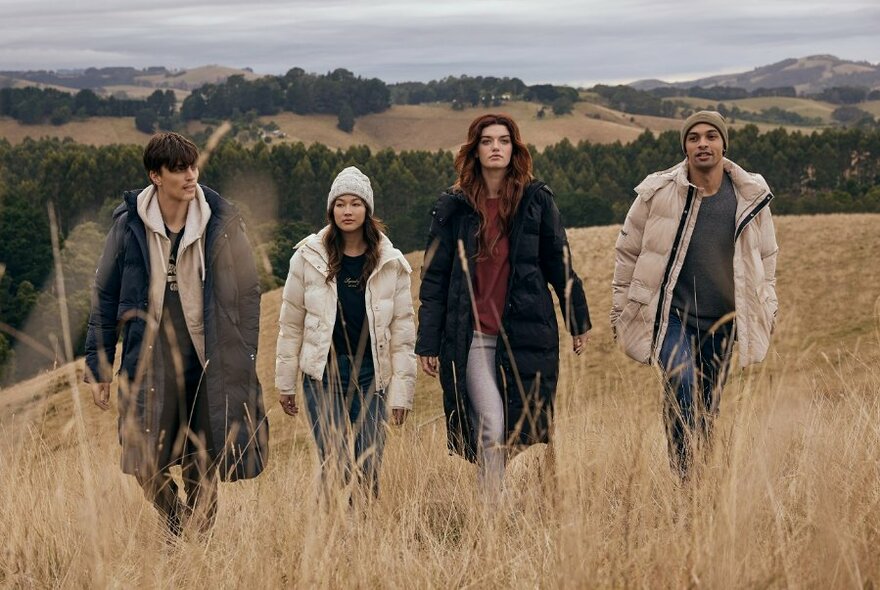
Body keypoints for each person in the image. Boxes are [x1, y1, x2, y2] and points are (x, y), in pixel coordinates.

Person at [85, 131, 268, 535]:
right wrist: (99, 366)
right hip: (147, 364)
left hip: (206, 362)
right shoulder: (128, 225)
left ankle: (195, 549)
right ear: (156, 175)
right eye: (178, 169)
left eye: (193, 166)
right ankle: (177, 523)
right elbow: (104, 295)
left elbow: (248, 291)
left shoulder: (220, 221)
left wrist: (244, 353)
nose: (190, 176)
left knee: (200, 462)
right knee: (141, 459)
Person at [416, 113, 591, 497]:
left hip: (522, 334)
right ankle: (492, 517)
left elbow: (558, 262)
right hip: (473, 336)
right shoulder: (454, 207)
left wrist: (576, 319)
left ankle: (491, 507)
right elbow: (435, 279)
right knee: (492, 425)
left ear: (515, 149)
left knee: (515, 432)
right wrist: (428, 343)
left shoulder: (536, 200)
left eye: (504, 141)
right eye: (487, 141)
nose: (496, 147)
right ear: (474, 150)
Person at [611, 111, 778, 479]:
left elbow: (766, 258)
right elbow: (628, 252)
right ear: (685, 147)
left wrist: (768, 307)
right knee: (681, 382)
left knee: (707, 406)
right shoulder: (657, 192)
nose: (703, 143)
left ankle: (701, 475)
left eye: (711, 137)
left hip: (723, 319)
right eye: (694, 138)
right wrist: (620, 309)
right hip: (670, 314)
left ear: (723, 144)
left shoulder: (749, 195)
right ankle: (685, 477)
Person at [276, 166, 416, 503]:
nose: (347, 211)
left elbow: (402, 332)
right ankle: (334, 535)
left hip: (372, 375)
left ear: (367, 209)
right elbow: (291, 323)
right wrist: (284, 382)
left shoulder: (390, 262)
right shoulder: (308, 257)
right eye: (340, 204)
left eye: (355, 203)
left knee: (368, 462)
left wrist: (402, 393)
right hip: (324, 374)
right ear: (331, 209)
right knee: (334, 459)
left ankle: (363, 533)